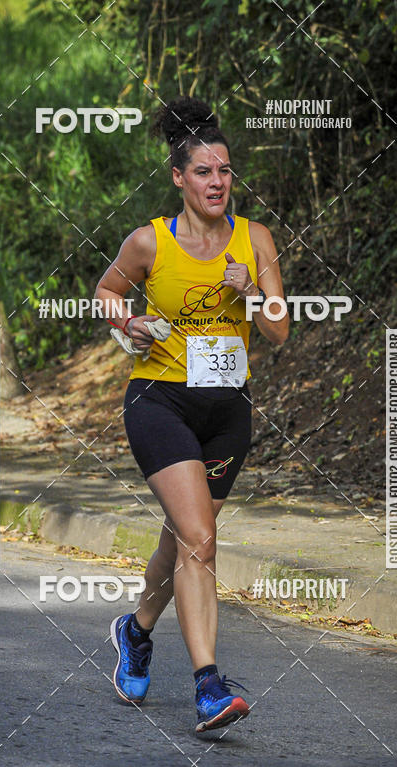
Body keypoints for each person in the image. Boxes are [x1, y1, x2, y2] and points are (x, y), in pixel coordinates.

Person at [94, 96, 288, 733]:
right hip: (160, 401)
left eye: (226, 171)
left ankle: (136, 629)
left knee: (184, 537)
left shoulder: (254, 239)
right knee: (201, 540)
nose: (217, 182)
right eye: (204, 172)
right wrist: (131, 326)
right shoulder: (150, 240)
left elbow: (280, 330)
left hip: (228, 412)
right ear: (179, 177)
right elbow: (106, 293)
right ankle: (209, 685)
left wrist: (252, 291)